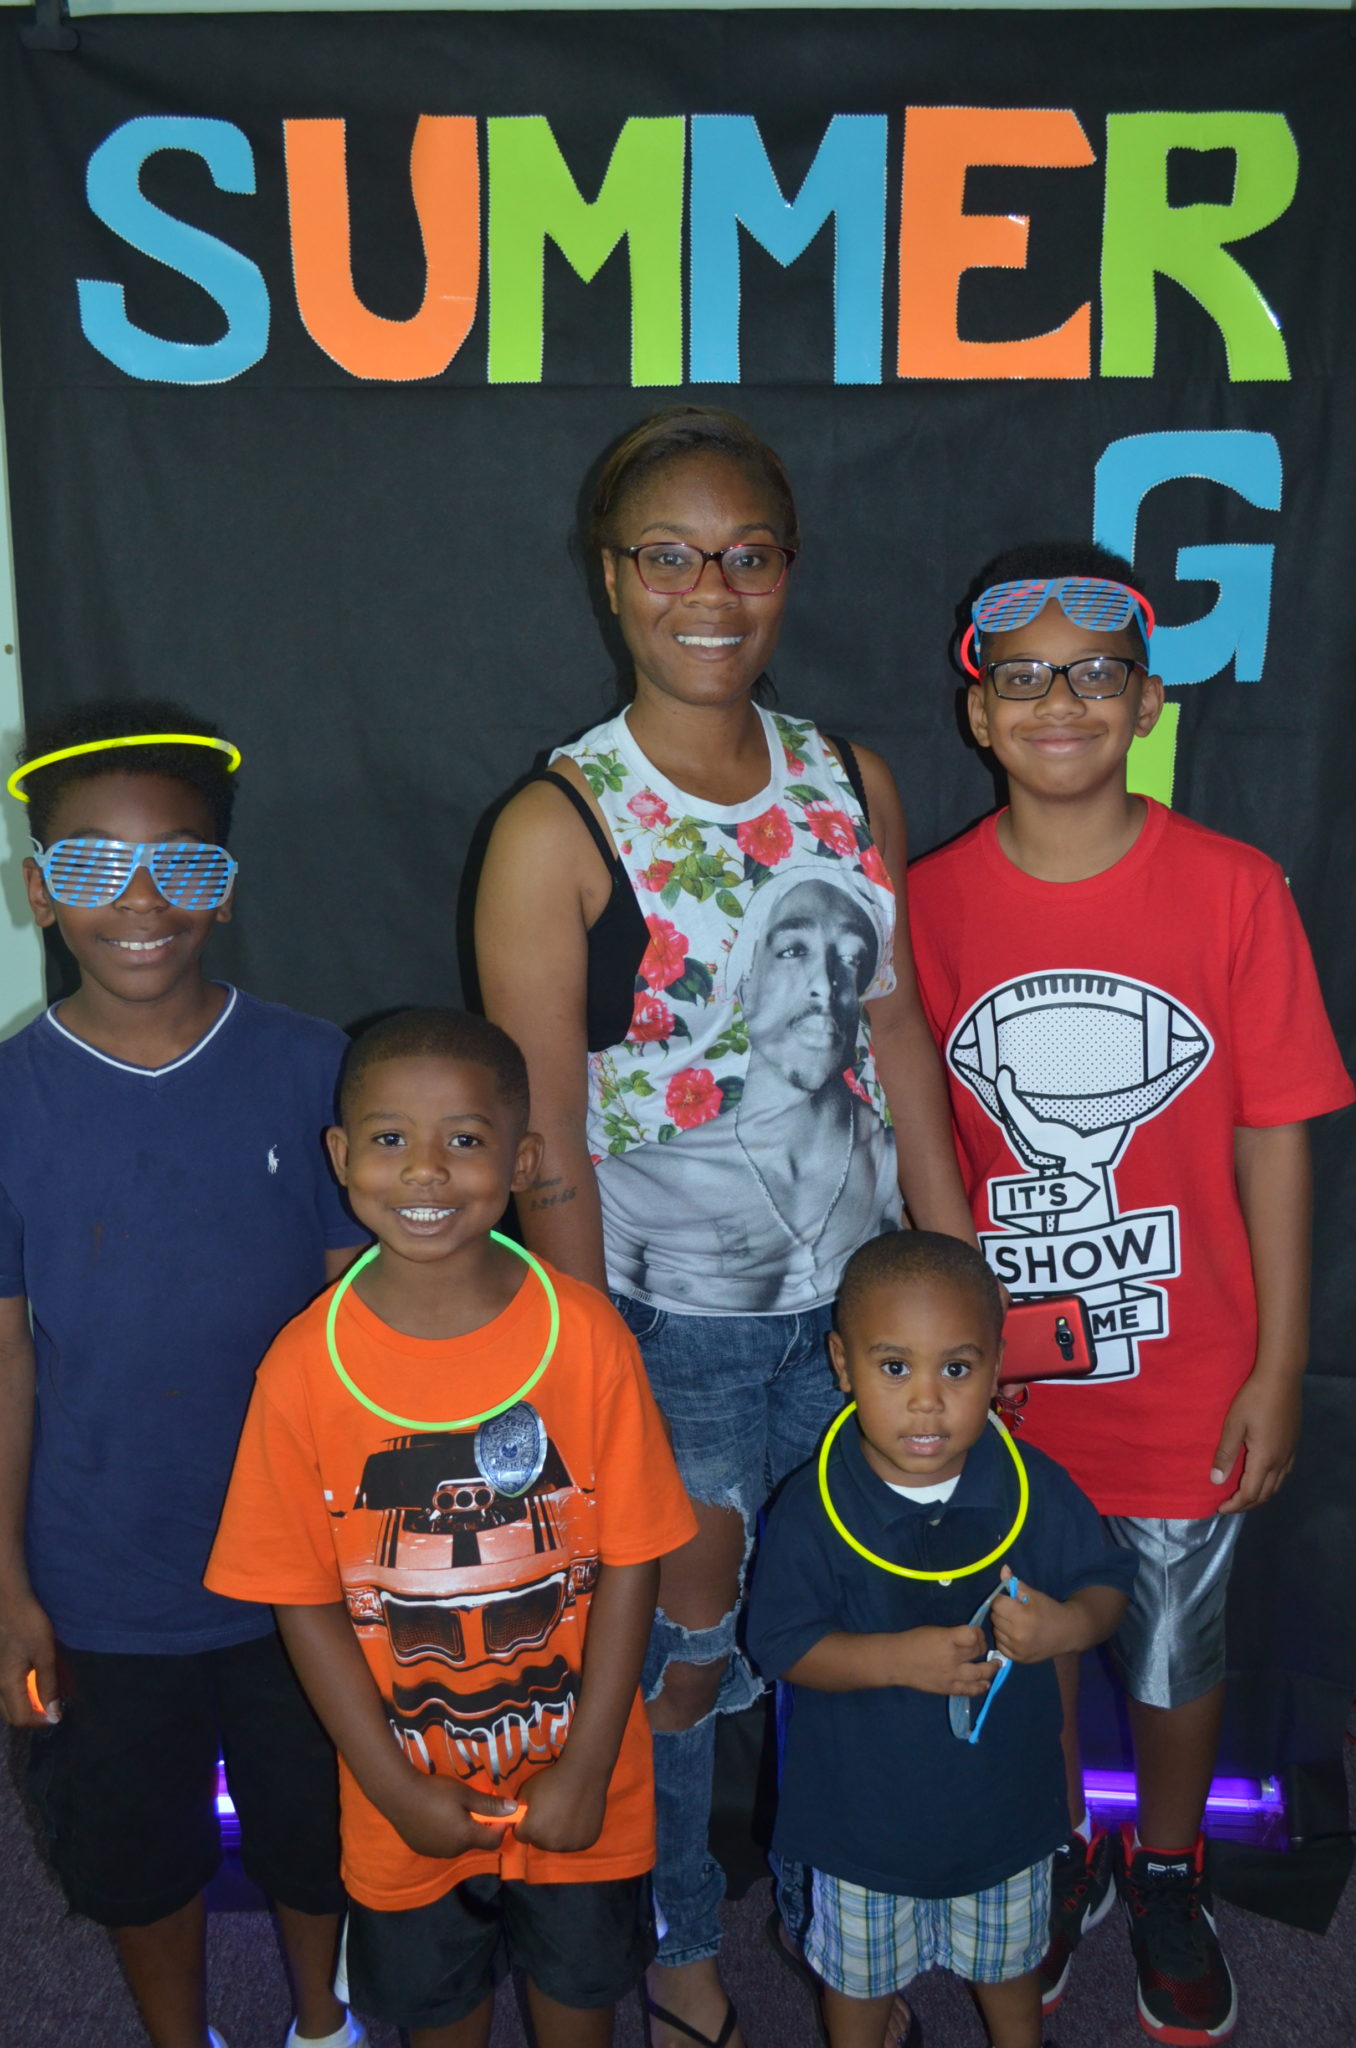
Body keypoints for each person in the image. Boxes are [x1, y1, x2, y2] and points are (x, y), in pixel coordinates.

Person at [476, 406, 976, 2048]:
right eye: (670, 556)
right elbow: (541, 1128)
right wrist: (587, 1353)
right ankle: (681, 1924)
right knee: (683, 1660)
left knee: (864, 1623)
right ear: (612, 579)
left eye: (747, 554)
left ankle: (861, 1916)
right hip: (665, 1329)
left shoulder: (851, 779)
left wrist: (953, 1258)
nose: (713, 588)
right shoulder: (561, 820)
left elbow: (894, 1035)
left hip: (859, 1321)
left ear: (787, 570)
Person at [907, 544, 1354, 2045]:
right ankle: (1050, 1853)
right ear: (978, 713)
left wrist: (1281, 1358)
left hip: (1190, 1376)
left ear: (1147, 702)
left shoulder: (1231, 891)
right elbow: (921, 1153)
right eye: (1022, 677)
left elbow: (1276, 1137)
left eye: (1096, 674)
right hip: (1008, 1391)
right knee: (1024, 1632)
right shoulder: (933, 905)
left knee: (1173, 1655)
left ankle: (1167, 1867)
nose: (1060, 702)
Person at [205, 1008, 698, 2048]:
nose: (425, 1169)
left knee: (581, 2005)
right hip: (408, 1811)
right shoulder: (301, 1367)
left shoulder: (587, 1337)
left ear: (521, 1159)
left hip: (582, 1795)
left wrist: (592, 1754)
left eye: (464, 1139)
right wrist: (392, 1786)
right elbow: (301, 1601)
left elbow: (634, 1557)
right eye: (389, 1138)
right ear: (340, 1156)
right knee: (438, 2016)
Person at [0, 701, 371, 2048]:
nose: (141, 899)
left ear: (226, 887)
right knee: (134, 1853)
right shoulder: (9, 1100)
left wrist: (374, 1555)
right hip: (100, 1581)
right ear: (39, 888)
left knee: (317, 1826)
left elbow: (360, 1338)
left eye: (184, 864)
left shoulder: (315, 1068)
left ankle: (320, 2023)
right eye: (91, 865)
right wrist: (6, 1586)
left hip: (302, 1572)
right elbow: (4, 1362)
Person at [746, 1230, 1134, 2048]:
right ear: (843, 1366)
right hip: (859, 1830)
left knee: (1009, 1978)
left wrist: (1067, 1626)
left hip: (1005, 1819)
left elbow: (1108, 1588)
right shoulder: (811, 1509)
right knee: (856, 1991)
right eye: (895, 1368)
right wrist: (897, 1660)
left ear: (996, 1368)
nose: (927, 1400)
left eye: (956, 1369)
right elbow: (779, 1644)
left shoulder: (1034, 1486)